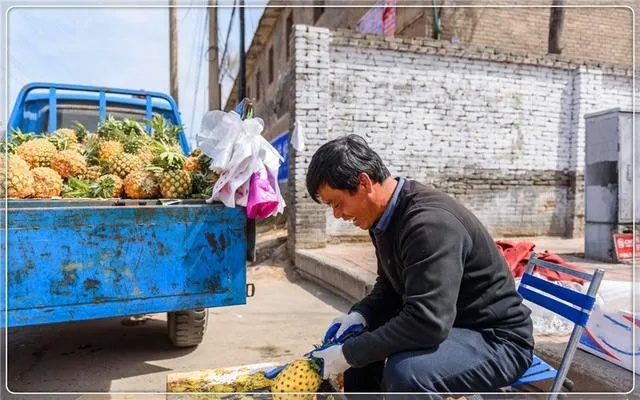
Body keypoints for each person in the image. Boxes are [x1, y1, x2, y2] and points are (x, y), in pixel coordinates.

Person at [307, 134, 534, 397]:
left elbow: (427, 322)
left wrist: (349, 354)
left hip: (496, 338)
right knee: (359, 348)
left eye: (337, 203)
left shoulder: (429, 225)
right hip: (451, 325)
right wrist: (360, 316)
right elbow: (390, 287)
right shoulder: (382, 219)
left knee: (407, 373)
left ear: (363, 182)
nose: (338, 215)